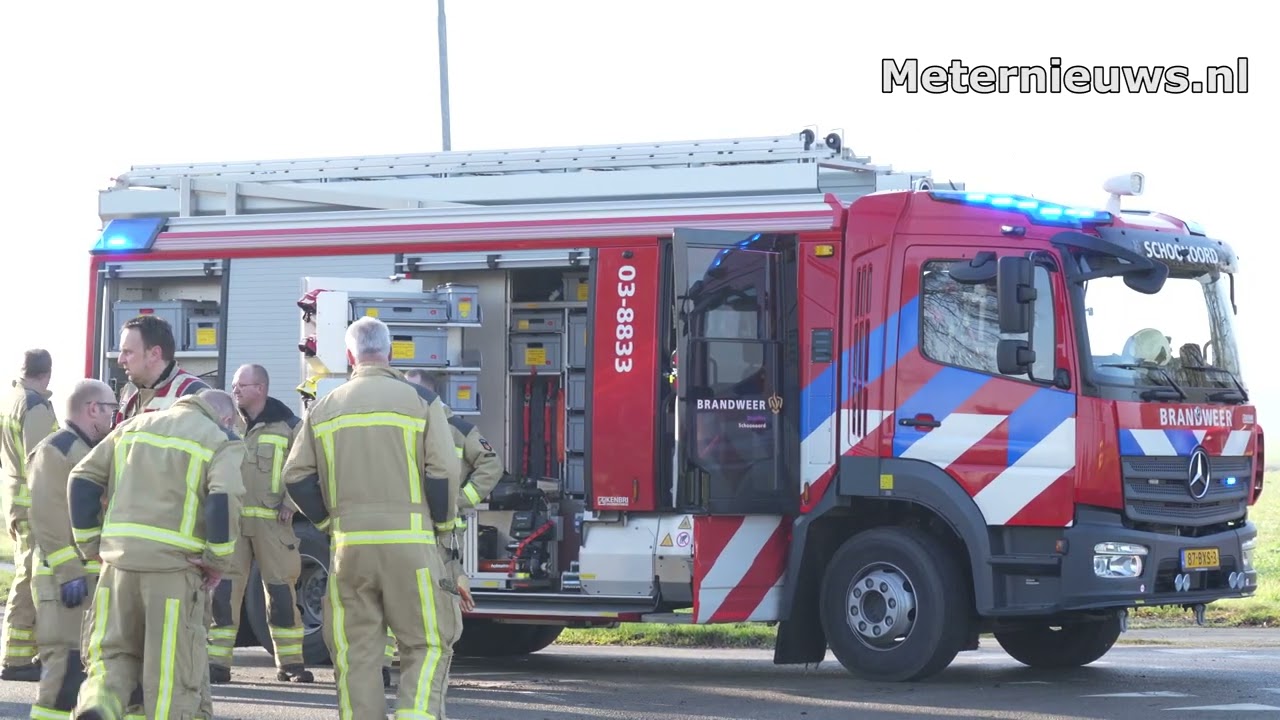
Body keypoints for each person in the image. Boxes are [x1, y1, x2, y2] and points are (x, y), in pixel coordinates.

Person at [282, 316, 463, 720]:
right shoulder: (422, 402)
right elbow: (444, 472)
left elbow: (294, 477)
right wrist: (444, 527)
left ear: (350, 356)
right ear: (391, 353)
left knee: (356, 652)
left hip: (350, 551)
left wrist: (329, 523)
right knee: (427, 644)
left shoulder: (323, 408)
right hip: (413, 550)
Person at [68, 389, 245, 720]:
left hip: (116, 570)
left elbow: (81, 479)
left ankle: (97, 706)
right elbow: (225, 497)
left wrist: (92, 546)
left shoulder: (133, 427)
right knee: (170, 678)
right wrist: (217, 560)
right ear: (226, 419)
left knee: (112, 659)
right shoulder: (219, 439)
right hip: (174, 573)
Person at [207, 364, 314, 685]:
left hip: (273, 525)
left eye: (242, 385)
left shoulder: (289, 427)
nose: (235, 390)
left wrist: (291, 502)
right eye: (234, 385)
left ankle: (291, 665)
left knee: (280, 593)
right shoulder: (225, 424)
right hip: (234, 525)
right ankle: (218, 664)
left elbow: (305, 466)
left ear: (261, 389)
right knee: (223, 594)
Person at [25, 379, 117, 718]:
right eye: (111, 409)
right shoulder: (57, 450)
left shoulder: (86, 449)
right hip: (63, 585)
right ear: (93, 409)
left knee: (82, 675)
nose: (113, 417)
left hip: (86, 585)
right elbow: (47, 516)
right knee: (61, 679)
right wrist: (68, 572)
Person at [0, 349, 59, 681]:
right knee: (28, 578)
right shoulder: (34, 405)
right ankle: (17, 660)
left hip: (16, 499)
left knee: (30, 574)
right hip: (33, 503)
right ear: (47, 373)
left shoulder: (10, 399)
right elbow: (41, 461)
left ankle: (23, 653)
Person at [114, 314, 210, 424]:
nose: (120, 360)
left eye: (128, 352)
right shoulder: (130, 393)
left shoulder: (194, 394)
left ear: (154, 354)